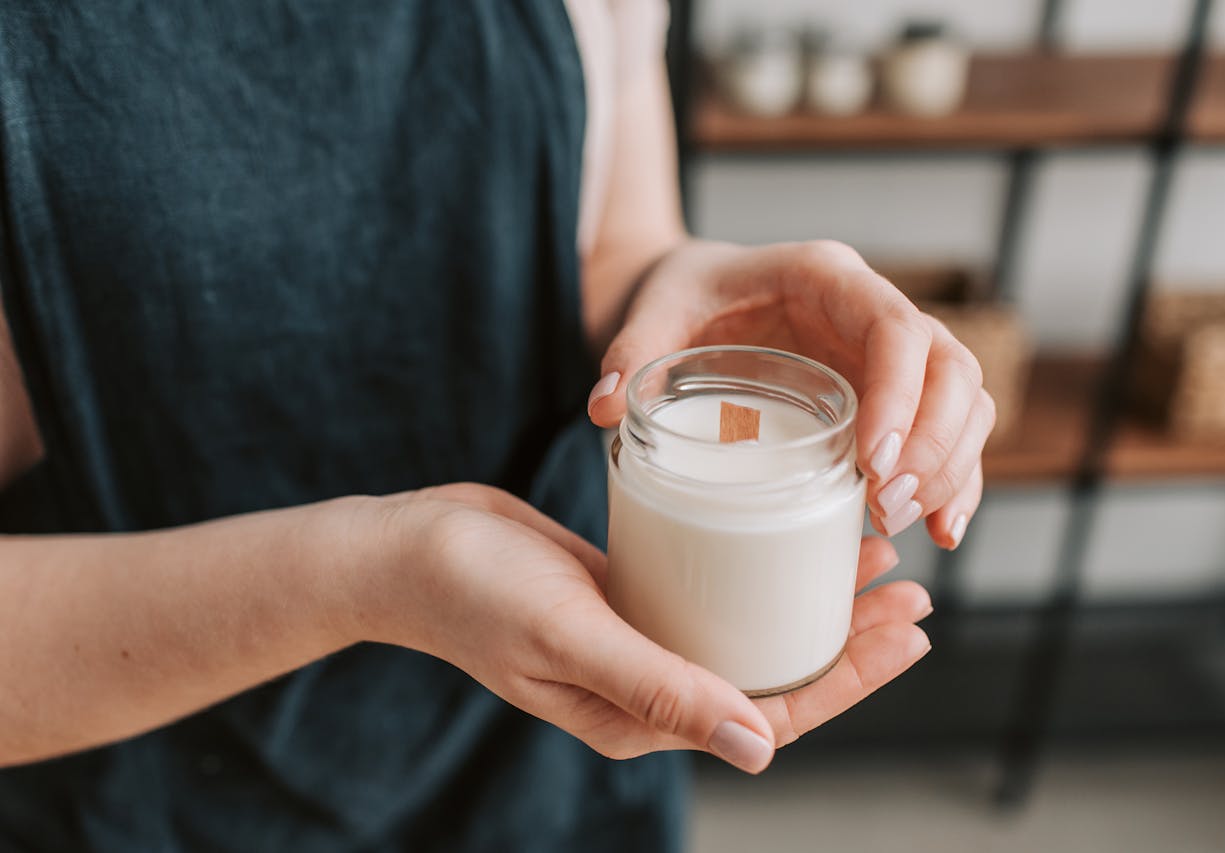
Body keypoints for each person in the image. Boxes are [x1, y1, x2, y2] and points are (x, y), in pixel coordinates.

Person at [0, 2, 993, 850]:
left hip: (556, 756)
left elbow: (611, 241)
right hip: (139, 777)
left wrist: (678, 295)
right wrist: (373, 573)